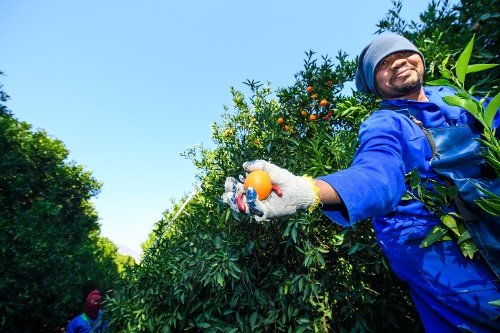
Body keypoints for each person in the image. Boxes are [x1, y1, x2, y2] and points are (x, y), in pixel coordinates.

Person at [223, 33, 500, 332]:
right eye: (383, 63)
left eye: (404, 53)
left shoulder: (461, 99)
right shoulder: (385, 123)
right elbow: (376, 174)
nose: (397, 62)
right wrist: (308, 191)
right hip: (438, 251)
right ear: (375, 84)